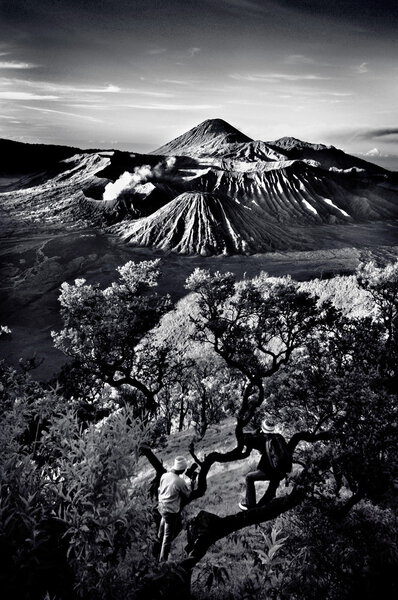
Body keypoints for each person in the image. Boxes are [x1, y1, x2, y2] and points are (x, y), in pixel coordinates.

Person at [239, 419, 291, 510]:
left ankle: (251, 506)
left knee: (249, 478)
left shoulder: (261, 438)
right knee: (273, 485)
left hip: (270, 471)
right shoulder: (279, 437)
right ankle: (263, 505)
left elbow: (243, 438)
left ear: (263, 428)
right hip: (282, 471)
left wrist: (255, 432)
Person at [157, 455, 191, 561]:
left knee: (162, 528)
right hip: (170, 510)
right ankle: (162, 560)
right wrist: (191, 484)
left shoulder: (164, 475)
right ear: (182, 470)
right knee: (167, 537)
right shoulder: (180, 481)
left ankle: (157, 543)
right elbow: (187, 495)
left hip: (161, 506)